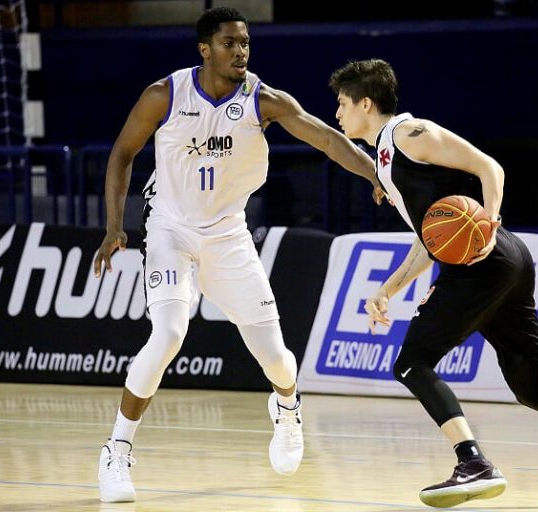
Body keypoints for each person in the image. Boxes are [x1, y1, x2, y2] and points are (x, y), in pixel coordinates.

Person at [328, 58, 538, 508]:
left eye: (342, 103)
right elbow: (430, 240)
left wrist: (488, 222)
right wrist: (387, 290)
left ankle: (473, 463)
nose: (338, 113)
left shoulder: (411, 134)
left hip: (485, 261)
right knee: (530, 387)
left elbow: (489, 167)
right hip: (505, 262)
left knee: (412, 364)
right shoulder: (386, 160)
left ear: (366, 104)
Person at [93, 7, 384, 503]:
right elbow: (122, 154)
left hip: (228, 234)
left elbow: (326, 138)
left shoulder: (263, 99)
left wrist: (374, 172)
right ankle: (116, 450)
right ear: (204, 49)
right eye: (229, 43)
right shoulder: (164, 95)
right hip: (170, 228)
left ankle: (287, 408)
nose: (240, 51)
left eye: (245, 43)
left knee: (277, 359)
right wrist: (113, 226)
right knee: (168, 334)